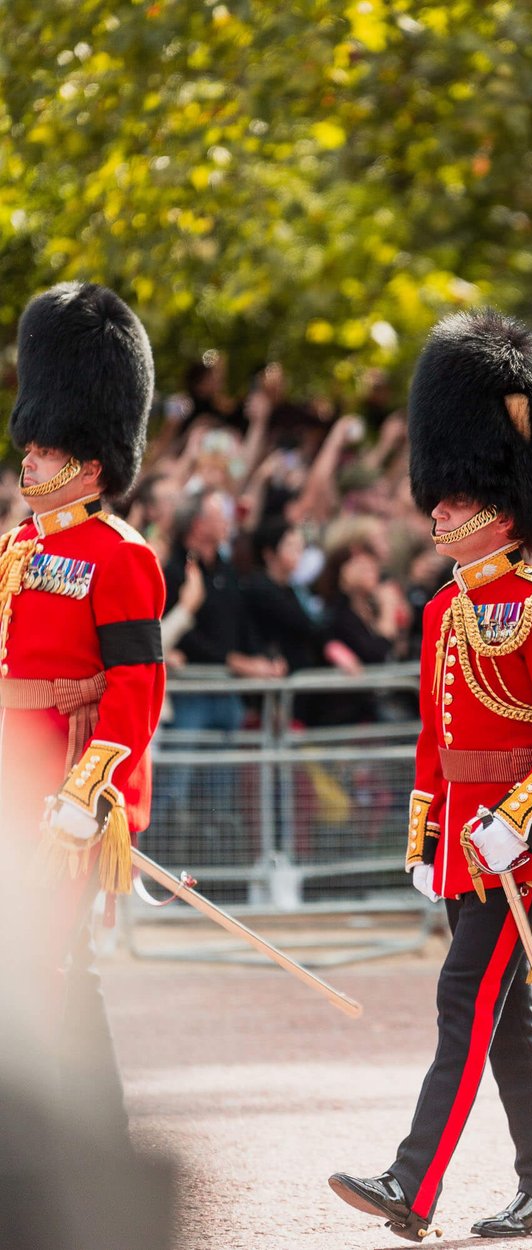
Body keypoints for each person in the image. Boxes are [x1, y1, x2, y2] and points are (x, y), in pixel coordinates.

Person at [327, 309, 532, 1241]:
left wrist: (521, 819)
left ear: (504, 499)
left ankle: (414, 1184)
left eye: (453, 496)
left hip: (518, 850)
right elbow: (434, 743)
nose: (436, 509)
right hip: (464, 844)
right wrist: (428, 838)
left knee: (464, 1001)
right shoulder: (446, 609)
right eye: (436, 495)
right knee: (508, 1025)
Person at [0, 281, 166, 1150]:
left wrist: (89, 790)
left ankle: (93, 1147)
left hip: (65, 787)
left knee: (48, 965)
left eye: (48, 445)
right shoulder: (19, 546)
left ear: (93, 460)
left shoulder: (122, 556)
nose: (28, 456)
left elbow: (136, 688)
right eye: (29, 442)